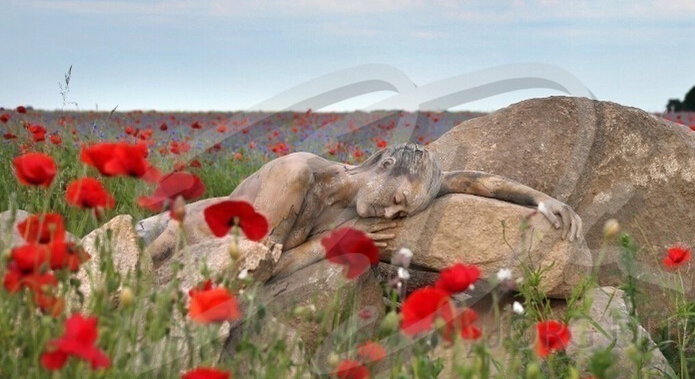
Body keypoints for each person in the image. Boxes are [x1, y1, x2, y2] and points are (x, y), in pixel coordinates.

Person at [146, 143, 582, 280]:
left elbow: (467, 181)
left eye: (401, 213)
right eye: (396, 202)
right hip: (168, 241)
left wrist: (540, 199)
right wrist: (325, 245)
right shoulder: (297, 175)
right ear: (386, 166)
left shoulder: (372, 196)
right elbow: (250, 268)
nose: (392, 217)